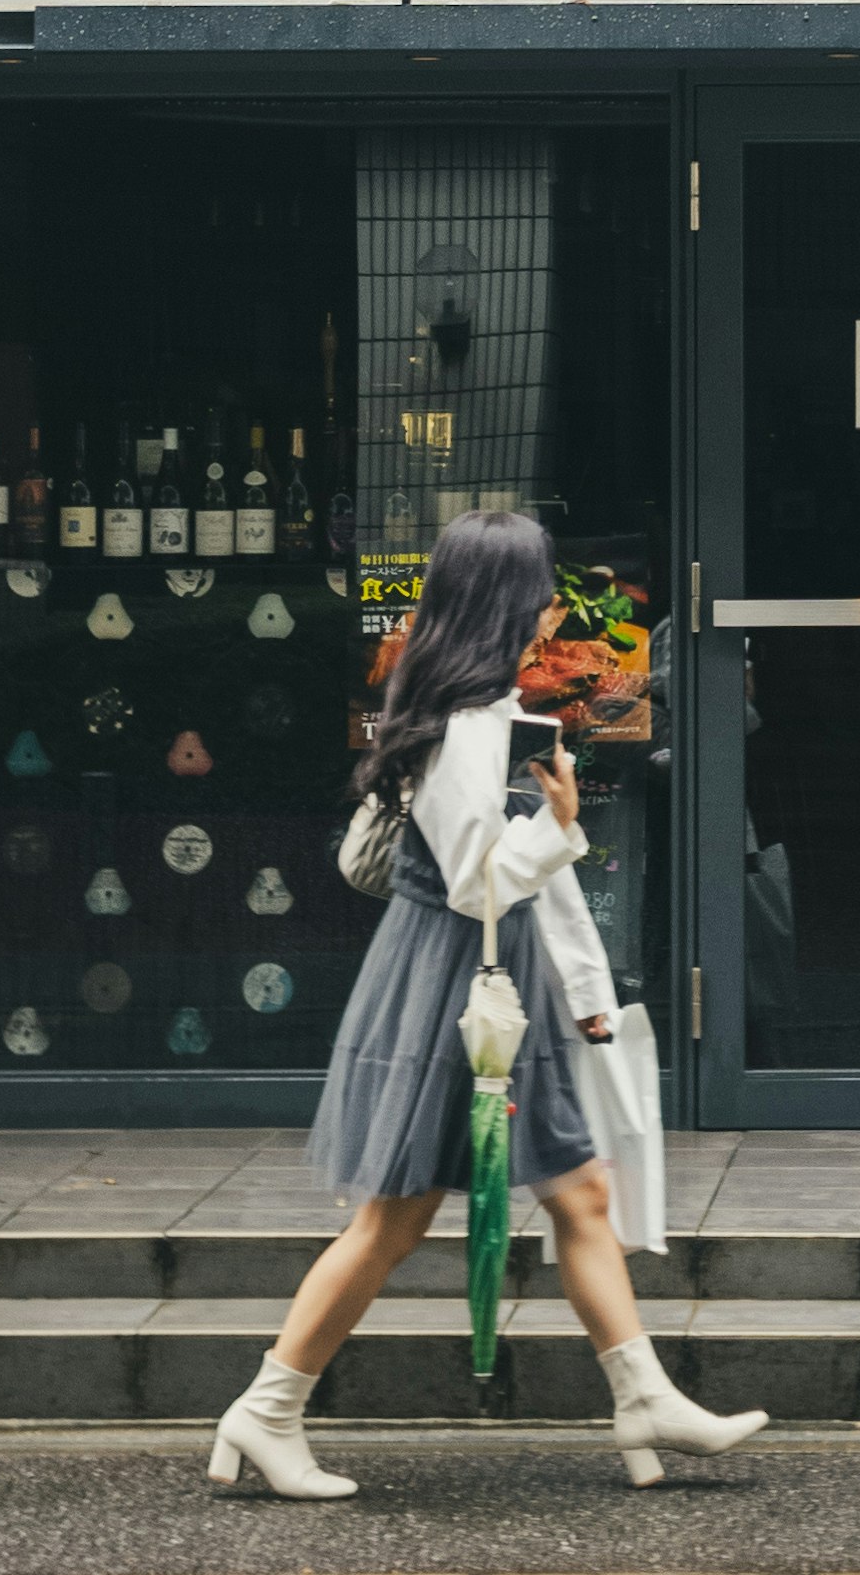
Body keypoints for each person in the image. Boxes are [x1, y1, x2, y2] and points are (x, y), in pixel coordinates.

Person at [210, 507, 766, 1498]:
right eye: (541, 585)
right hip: (454, 988)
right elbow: (477, 883)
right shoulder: (469, 726)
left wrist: (587, 984)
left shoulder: (477, 709)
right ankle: (265, 1410)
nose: (554, 603)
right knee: (395, 1218)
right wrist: (558, 824)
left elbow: (512, 885)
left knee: (580, 1193)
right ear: (505, 599)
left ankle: (643, 1398)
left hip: (488, 985)